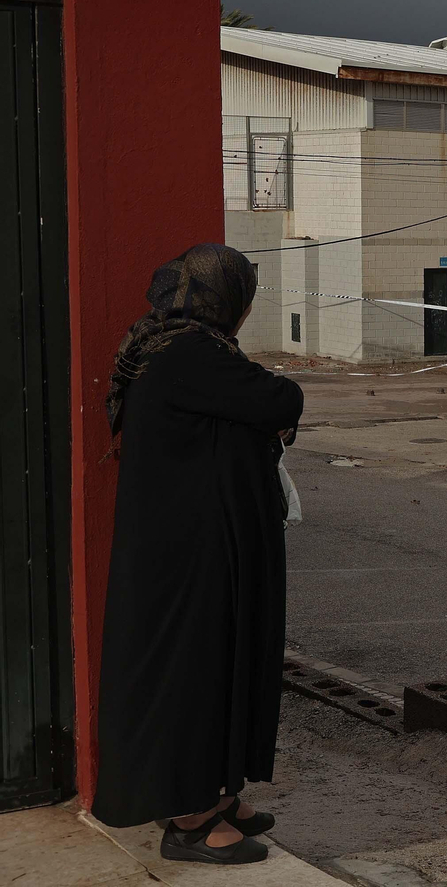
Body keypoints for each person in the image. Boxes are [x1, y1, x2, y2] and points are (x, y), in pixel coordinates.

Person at [93, 244, 304, 865]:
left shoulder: (162, 344)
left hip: (185, 549)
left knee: (211, 665)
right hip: (189, 558)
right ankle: (188, 820)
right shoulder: (190, 352)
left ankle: (213, 792)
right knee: (195, 671)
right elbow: (279, 400)